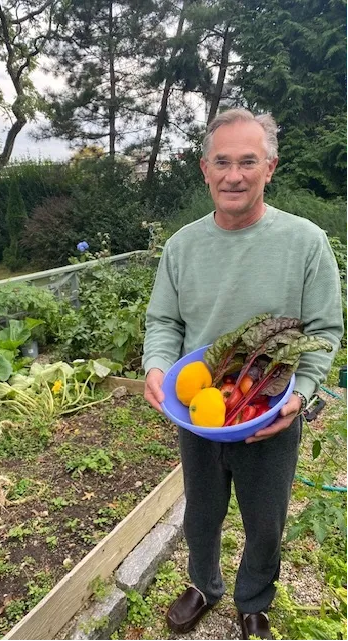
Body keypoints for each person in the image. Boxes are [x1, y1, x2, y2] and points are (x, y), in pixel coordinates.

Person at [142, 108, 343, 640]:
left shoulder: (305, 242)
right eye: (223, 161)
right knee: (200, 516)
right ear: (204, 168)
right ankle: (204, 586)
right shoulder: (182, 246)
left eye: (248, 161)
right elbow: (163, 319)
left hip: (270, 410)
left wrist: (300, 393)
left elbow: (324, 328)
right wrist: (158, 366)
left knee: (266, 523)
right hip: (198, 413)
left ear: (270, 167)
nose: (234, 175)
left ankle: (254, 599)